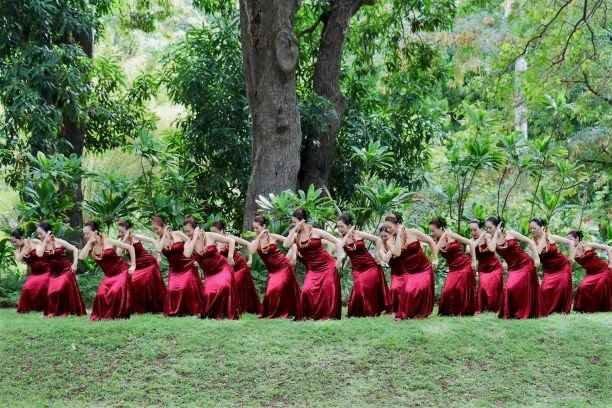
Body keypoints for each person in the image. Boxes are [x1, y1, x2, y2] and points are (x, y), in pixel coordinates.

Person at [285, 208, 343, 320]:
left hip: (327, 266)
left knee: (327, 289)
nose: (293, 224)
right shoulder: (295, 235)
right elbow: (286, 244)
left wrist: (339, 259)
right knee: (306, 291)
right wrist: (295, 228)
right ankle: (309, 315)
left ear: (302, 220)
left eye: (295, 222)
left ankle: (327, 316)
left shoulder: (316, 232)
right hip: (313, 269)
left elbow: (338, 242)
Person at [381, 213, 438, 319]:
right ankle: (408, 314)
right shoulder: (390, 240)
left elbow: (431, 242)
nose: (388, 230)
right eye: (386, 228)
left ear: (397, 224)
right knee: (408, 291)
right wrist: (398, 235)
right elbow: (397, 253)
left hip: (424, 269)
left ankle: (421, 313)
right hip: (410, 273)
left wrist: (435, 259)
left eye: (389, 227)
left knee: (415, 290)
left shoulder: (413, 232)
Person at [183, 217, 239, 319]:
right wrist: (194, 237)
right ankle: (212, 314)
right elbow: (187, 254)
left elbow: (231, 241)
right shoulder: (189, 243)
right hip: (210, 274)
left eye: (189, 231)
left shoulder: (209, 236)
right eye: (185, 232)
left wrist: (230, 256)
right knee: (208, 293)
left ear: (197, 228)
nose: (187, 234)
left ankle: (225, 313)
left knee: (223, 286)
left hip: (223, 268)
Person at [336, 212, 389, 317]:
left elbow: (378, 239)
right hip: (357, 268)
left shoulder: (359, 234)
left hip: (370, 265)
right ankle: (362, 311)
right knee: (359, 288)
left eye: (342, 226)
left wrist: (377, 255)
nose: (339, 229)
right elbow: (342, 247)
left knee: (369, 288)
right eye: (338, 227)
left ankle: (373, 310)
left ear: (349, 225)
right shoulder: (341, 239)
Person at [486, 217, 540, 319]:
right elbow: (492, 248)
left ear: (499, 226)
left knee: (515, 288)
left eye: (490, 228)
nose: (488, 230)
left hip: (525, 264)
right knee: (509, 288)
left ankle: (523, 312)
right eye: (487, 228)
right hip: (513, 268)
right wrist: (495, 233)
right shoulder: (490, 238)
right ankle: (513, 312)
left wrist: (536, 258)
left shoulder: (511, 233)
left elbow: (530, 241)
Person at [80, 221, 135, 320]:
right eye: (84, 234)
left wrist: (133, 265)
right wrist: (89, 242)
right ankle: (105, 315)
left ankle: (117, 315)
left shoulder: (108, 241)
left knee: (114, 292)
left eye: (87, 233)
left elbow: (130, 248)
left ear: (95, 232)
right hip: (109, 276)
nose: (85, 236)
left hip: (121, 272)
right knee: (100, 295)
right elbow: (81, 257)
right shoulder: (90, 246)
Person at [249, 215, 301, 319]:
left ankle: (285, 312)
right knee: (270, 292)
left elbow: (292, 244)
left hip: (283, 266)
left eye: (257, 228)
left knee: (277, 289)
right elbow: (252, 250)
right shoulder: (256, 241)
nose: (255, 230)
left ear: (263, 226)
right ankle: (278, 311)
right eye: (254, 228)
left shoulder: (273, 236)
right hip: (272, 271)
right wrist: (259, 235)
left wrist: (293, 256)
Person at [151, 216, 203, 316]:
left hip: (187, 265)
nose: (155, 231)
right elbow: (158, 249)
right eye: (154, 230)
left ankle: (193, 309)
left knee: (186, 288)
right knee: (172, 290)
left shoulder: (177, 234)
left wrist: (196, 258)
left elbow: (190, 241)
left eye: (157, 229)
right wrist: (164, 234)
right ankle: (178, 311)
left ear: (163, 226)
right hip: (175, 270)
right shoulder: (159, 240)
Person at [35, 222, 86, 317]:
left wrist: (75, 264)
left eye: (40, 233)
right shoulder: (41, 245)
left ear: (48, 232)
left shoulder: (59, 241)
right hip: (53, 273)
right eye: (38, 234)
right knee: (51, 291)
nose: (39, 236)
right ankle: (55, 312)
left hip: (65, 270)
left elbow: (74, 249)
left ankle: (66, 311)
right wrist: (45, 240)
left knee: (60, 287)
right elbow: (40, 254)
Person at [211, 220, 261, 315]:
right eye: (212, 232)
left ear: (221, 231)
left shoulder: (229, 237)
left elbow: (248, 244)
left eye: (215, 232)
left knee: (235, 284)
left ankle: (235, 307)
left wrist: (250, 259)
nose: (213, 234)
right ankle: (231, 306)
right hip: (228, 269)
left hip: (240, 266)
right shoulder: (214, 242)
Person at [429, 217, 476, 316]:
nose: (431, 233)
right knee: (447, 291)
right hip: (453, 269)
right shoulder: (436, 240)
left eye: (433, 230)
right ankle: (449, 312)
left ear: (441, 228)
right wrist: (441, 237)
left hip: (464, 266)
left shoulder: (451, 235)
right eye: (430, 231)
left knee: (460, 289)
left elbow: (470, 243)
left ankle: (463, 311)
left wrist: (474, 261)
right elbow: (435, 252)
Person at [117, 219, 166, 314]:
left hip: (149, 263)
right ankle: (136, 307)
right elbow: (118, 253)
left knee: (146, 283)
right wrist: (124, 238)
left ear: (128, 230)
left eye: (122, 231)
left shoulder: (135, 237)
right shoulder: (121, 241)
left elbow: (152, 240)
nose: (120, 233)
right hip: (137, 266)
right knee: (132, 282)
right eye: (118, 231)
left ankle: (152, 306)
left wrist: (158, 254)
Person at [529, 218, 573, 316]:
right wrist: (544, 236)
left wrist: (571, 258)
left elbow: (570, 242)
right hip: (549, 271)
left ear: (542, 228)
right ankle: (547, 309)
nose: (532, 231)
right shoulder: (532, 242)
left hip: (562, 266)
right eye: (530, 229)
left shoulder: (551, 237)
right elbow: (538, 252)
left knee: (563, 286)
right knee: (544, 290)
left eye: (534, 228)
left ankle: (562, 310)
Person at [567, 230, 612, 313]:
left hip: (603, 270)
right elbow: (570, 261)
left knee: (599, 287)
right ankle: (583, 309)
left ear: (577, 238)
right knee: (582, 287)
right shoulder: (572, 251)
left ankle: (599, 308)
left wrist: (610, 264)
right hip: (591, 274)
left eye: (570, 239)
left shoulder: (588, 244)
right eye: (568, 239)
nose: (569, 241)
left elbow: (608, 248)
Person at [468, 220, 503, 313]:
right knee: (483, 287)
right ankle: (483, 307)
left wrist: (485, 236)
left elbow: (492, 249)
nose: (473, 232)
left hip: (495, 267)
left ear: (481, 229)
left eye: (475, 230)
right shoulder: (471, 241)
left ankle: (495, 307)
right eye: (471, 230)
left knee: (493, 289)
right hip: (483, 269)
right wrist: (479, 238)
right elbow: (470, 250)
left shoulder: (487, 236)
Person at [11, 228, 49, 313]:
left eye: (15, 241)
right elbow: (19, 259)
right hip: (35, 273)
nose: (13, 244)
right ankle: (31, 307)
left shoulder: (34, 241)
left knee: (44, 284)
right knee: (27, 288)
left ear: (21, 238)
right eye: (12, 242)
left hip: (46, 269)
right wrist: (25, 249)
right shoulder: (17, 250)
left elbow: (45, 248)